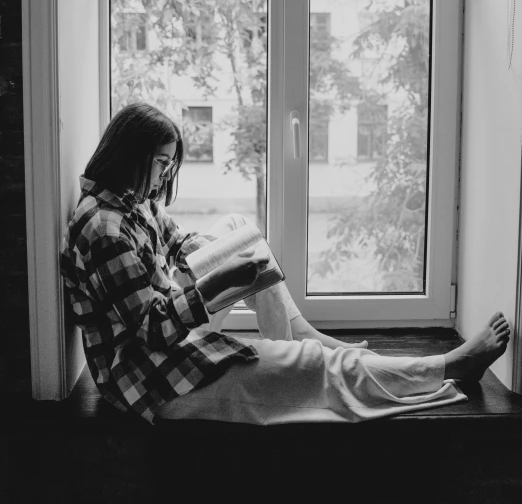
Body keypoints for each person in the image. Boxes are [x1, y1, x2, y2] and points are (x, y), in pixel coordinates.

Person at [61, 102, 510, 426]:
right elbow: (153, 331)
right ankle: (448, 366)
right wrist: (214, 283)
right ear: (131, 156)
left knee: (239, 229)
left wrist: (225, 250)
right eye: (160, 163)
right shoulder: (105, 230)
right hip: (150, 375)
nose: (163, 176)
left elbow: (177, 241)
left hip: (166, 332)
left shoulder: (130, 199)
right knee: (320, 367)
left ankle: (295, 337)